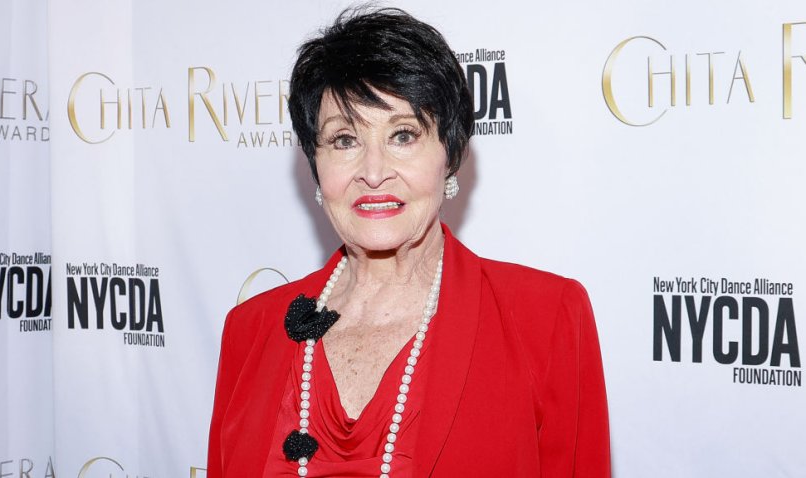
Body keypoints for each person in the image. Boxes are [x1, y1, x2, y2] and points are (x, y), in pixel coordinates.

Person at [208, 7, 610, 477]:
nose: (374, 172)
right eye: (343, 140)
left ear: (451, 154)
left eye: (403, 135)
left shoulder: (545, 320)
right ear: (315, 165)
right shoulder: (250, 331)